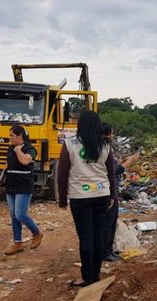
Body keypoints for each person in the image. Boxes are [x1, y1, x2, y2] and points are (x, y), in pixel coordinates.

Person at [58, 110, 116, 287]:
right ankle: (95, 275)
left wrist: (62, 199)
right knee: (98, 235)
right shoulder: (105, 146)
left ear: (79, 125)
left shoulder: (69, 144)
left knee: (86, 237)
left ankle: (86, 277)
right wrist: (112, 195)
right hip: (102, 195)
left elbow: (62, 174)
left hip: (80, 197)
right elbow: (111, 174)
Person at [101, 123, 139, 262]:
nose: (112, 136)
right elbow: (112, 171)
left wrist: (121, 161)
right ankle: (105, 252)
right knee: (107, 222)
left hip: (113, 190)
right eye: (110, 133)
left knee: (112, 221)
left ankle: (109, 250)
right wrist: (127, 163)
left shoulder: (106, 148)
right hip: (108, 191)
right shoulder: (102, 149)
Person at [4, 125, 43, 255]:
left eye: (11, 136)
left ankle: (36, 232)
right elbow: (9, 163)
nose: (9, 138)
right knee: (13, 215)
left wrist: (18, 151)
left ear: (20, 135)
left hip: (24, 185)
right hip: (11, 185)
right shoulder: (10, 148)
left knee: (20, 214)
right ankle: (17, 243)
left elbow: (25, 161)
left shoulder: (29, 148)